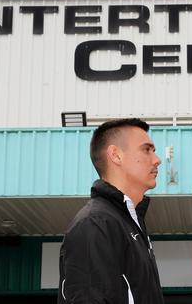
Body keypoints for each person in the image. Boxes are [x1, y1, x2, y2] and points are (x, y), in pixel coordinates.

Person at [58, 118, 164, 304]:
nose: (157, 160)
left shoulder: (129, 224)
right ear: (115, 155)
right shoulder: (95, 224)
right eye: (146, 149)